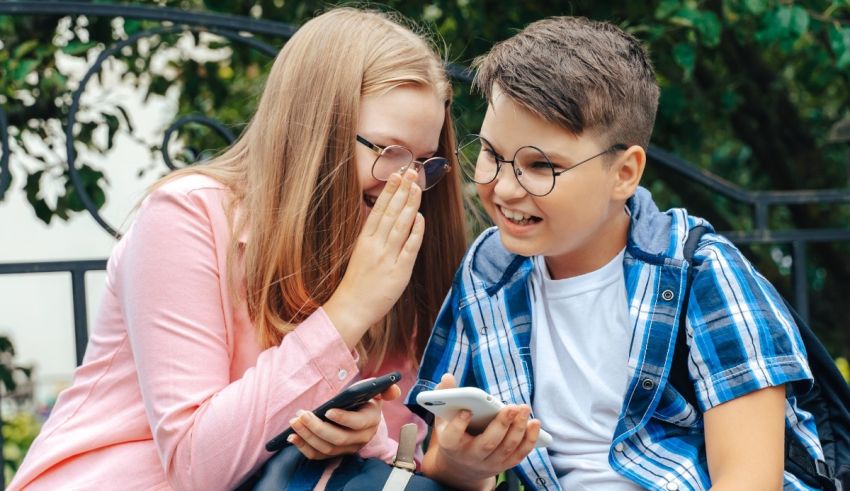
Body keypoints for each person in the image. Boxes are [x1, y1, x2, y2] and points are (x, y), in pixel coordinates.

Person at [10, 7, 468, 490]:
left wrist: (365, 431)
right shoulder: (185, 216)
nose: (408, 184)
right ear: (314, 131)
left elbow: (396, 461)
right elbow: (198, 467)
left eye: (423, 162)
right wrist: (350, 308)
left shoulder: (382, 244)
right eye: (390, 152)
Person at [408, 16, 825, 491]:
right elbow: (438, 460)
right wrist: (465, 461)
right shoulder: (487, 272)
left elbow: (749, 479)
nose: (502, 187)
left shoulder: (702, 274)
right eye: (491, 155)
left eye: (540, 166)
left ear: (625, 173)